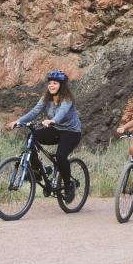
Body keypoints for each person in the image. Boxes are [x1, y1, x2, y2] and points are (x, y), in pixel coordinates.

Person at [10, 70, 81, 203]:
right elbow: (34, 112)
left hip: (72, 132)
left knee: (60, 156)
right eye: (50, 83)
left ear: (61, 86)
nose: (51, 85)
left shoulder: (67, 99)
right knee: (32, 136)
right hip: (56, 129)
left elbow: (61, 113)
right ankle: (38, 170)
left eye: (55, 83)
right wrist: (19, 121)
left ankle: (68, 186)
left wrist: (53, 120)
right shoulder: (46, 98)